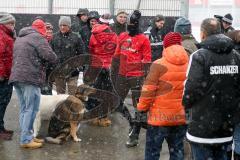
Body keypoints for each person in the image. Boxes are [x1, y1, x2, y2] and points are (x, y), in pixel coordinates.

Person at [182, 18, 240, 160]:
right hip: (226, 127)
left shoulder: (199, 56)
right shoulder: (236, 56)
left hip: (202, 129)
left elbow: (190, 90)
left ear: (202, 34)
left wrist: (186, 105)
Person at [137, 32, 188, 160]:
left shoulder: (158, 64)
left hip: (158, 118)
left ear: (165, 46)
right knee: (177, 151)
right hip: (180, 117)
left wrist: (142, 109)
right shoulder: (190, 63)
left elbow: (148, 91)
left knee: (152, 152)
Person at [9, 19, 57, 149]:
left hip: (17, 77)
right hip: (30, 78)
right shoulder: (38, 38)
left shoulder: (20, 37)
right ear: (41, 29)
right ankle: (26, 140)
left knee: (24, 109)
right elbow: (50, 57)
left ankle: (28, 136)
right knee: (32, 109)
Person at [111, 10, 151, 147]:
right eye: (129, 23)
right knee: (116, 103)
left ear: (138, 25)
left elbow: (146, 60)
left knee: (139, 106)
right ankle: (133, 122)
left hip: (137, 77)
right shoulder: (122, 36)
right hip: (122, 75)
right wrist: (113, 74)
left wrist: (145, 79)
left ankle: (135, 134)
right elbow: (116, 56)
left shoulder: (144, 39)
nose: (130, 26)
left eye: (133, 24)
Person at [87, 24, 117, 126]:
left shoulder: (93, 36)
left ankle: (94, 116)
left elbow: (91, 50)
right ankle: (104, 118)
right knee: (107, 92)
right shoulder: (114, 36)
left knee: (95, 91)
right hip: (109, 66)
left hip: (96, 66)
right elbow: (116, 51)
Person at [50, 16, 85, 95]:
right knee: (60, 96)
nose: (62, 27)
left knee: (72, 96)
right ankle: (61, 108)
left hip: (73, 72)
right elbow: (50, 53)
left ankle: (71, 108)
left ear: (69, 26)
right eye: (61, 25)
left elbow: (82, 53)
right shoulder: (54, 37)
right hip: (59, 72)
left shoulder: (76, 37)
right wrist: (54, 67)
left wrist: (78, 66)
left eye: (64, 25)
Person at [0, 12, 16, 140]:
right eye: (11, 23)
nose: (13, 26)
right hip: (2, 77)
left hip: (7, 75)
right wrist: (1, 74)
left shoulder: (7, 34)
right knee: (1, 102)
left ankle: (1, 127)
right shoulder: (2, 35)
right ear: (4, 23)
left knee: (4, 102)